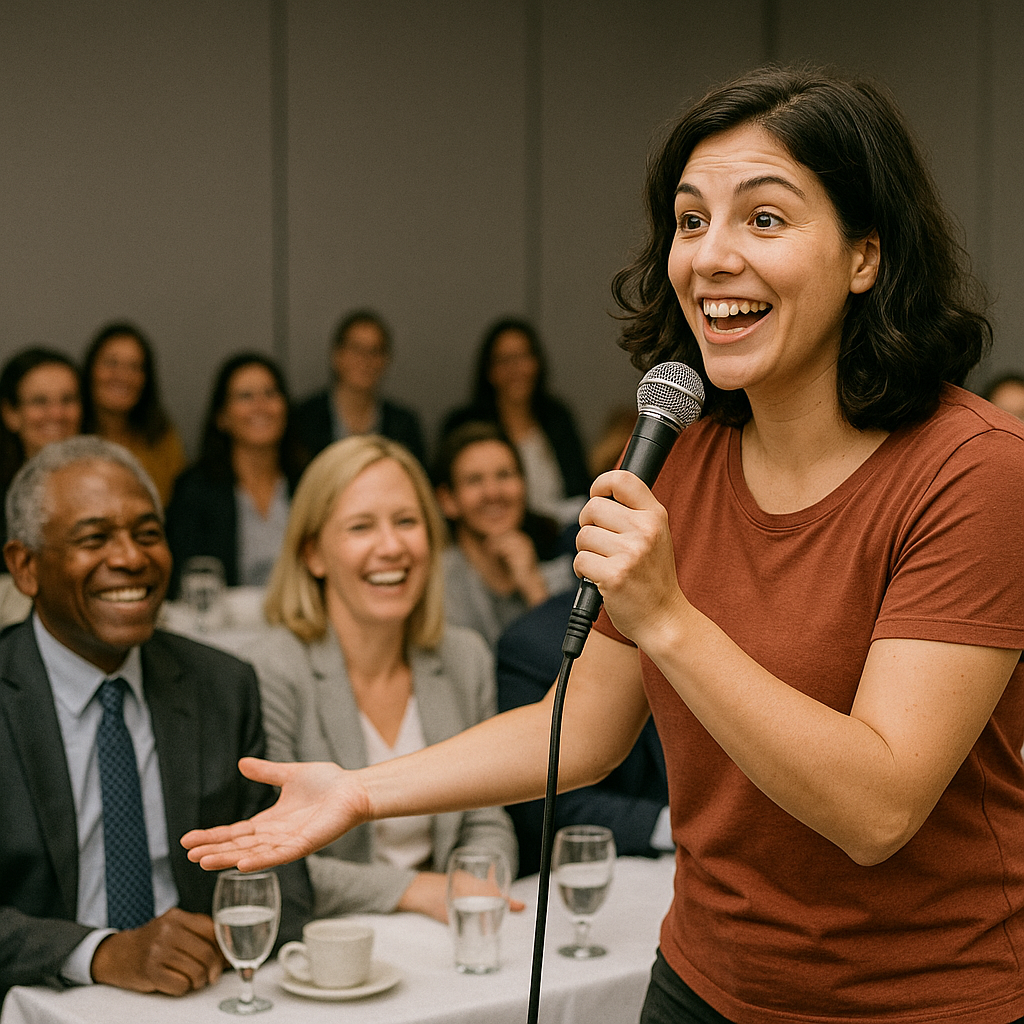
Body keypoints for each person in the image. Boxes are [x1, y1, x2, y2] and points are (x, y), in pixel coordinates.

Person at [183, 66, 1024, 1024]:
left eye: (765, 219)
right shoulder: (683, 453)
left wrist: (668, 617)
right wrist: (362, 792)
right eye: (691, 219)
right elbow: (579, 728)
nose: (711, 256)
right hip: (704, 983)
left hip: (918, 1002)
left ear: (866, 255)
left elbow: (878, 810)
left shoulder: (975, 472)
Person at [0, 436, 310, 1003]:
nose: (132, 558)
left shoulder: (222, 685)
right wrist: (101, 952)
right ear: (25, 567)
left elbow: (282, 875)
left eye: (148, 534)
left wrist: (215, 944)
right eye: (95, 538)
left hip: (199, 996)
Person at [250, 434, 518, 922]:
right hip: (328, 948)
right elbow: (274, 852)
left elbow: (488, 817)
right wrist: (417, 890)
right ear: (313, 554)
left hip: (451, 935)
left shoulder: (464, 658)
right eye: (360, 527)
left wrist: (482, 883)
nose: (392, 547)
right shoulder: (273, 673)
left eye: (407, 522)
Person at [496, 588, 670, 877]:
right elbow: (541, 795)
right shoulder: (536, 642)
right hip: (609, 866)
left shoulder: (709, 626)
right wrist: (670, 825)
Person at [165, 352, 306, 595]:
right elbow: (181, 577)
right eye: (245, 396)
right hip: (220, 628)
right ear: (222, 417)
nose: (260, 406)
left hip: (302, 623)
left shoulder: (308, 481)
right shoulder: (195, 489)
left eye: (270, 393)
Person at [434, 420, 577, 649]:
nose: (493, 492)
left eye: (504, 475)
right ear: (447, 500)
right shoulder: (435, 584)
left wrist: (533, 586)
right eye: (474, 480)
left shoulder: (564, 576)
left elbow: (577, 670)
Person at [440, 318, 590, 525]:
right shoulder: (465, 424)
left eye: (523, 357)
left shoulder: (558, 418)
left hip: (560, 538)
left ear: (537, 363)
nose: (516, 368)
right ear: (489, 370)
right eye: (504, 360)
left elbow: (580, 488)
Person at [293, 309, 426, 465]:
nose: (365, 360)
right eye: (356, 349)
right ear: (337, 355)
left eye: (374, 351)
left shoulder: (404, 424)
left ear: (386, 360)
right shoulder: (304, 418)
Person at [81, 322, 186, 505]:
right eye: (111, 363)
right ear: (91, 369)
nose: (122, 376)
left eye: (134, 367)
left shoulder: (161, 438)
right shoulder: (67, 433)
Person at [0, 347, 82, 548]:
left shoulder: (107, 485)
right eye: (39, 401)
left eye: (67, 400)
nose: (56, 414)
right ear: (11, 413)